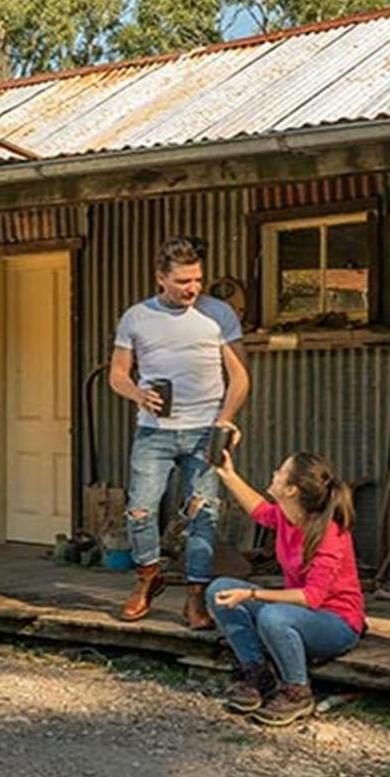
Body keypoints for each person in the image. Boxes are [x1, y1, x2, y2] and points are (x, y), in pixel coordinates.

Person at [108, 236, 249, 629]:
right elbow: (117, 374)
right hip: (155, 432)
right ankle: (148, 578)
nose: (193, 288)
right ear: (161, 279)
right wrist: (138, 394)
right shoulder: (136, 317)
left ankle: (195, 600)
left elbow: (239, 376)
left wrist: (227, 418)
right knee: (140, 511)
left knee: (204, 515)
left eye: (198, 279)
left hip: (205, 430)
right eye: (184, 281)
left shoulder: (219, 314)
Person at [205, 449, 365, 726]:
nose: (274, 474)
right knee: (219, 590)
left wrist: (252, 594)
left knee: (273, 615)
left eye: (280, 472)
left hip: (336, 625)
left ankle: (297, 691)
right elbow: (260, 511)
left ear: (291, 489)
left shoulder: (330, 533)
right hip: (294, 612)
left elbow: (311, 598)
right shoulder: (285, 516)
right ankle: (258, 675)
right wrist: (228, 475)